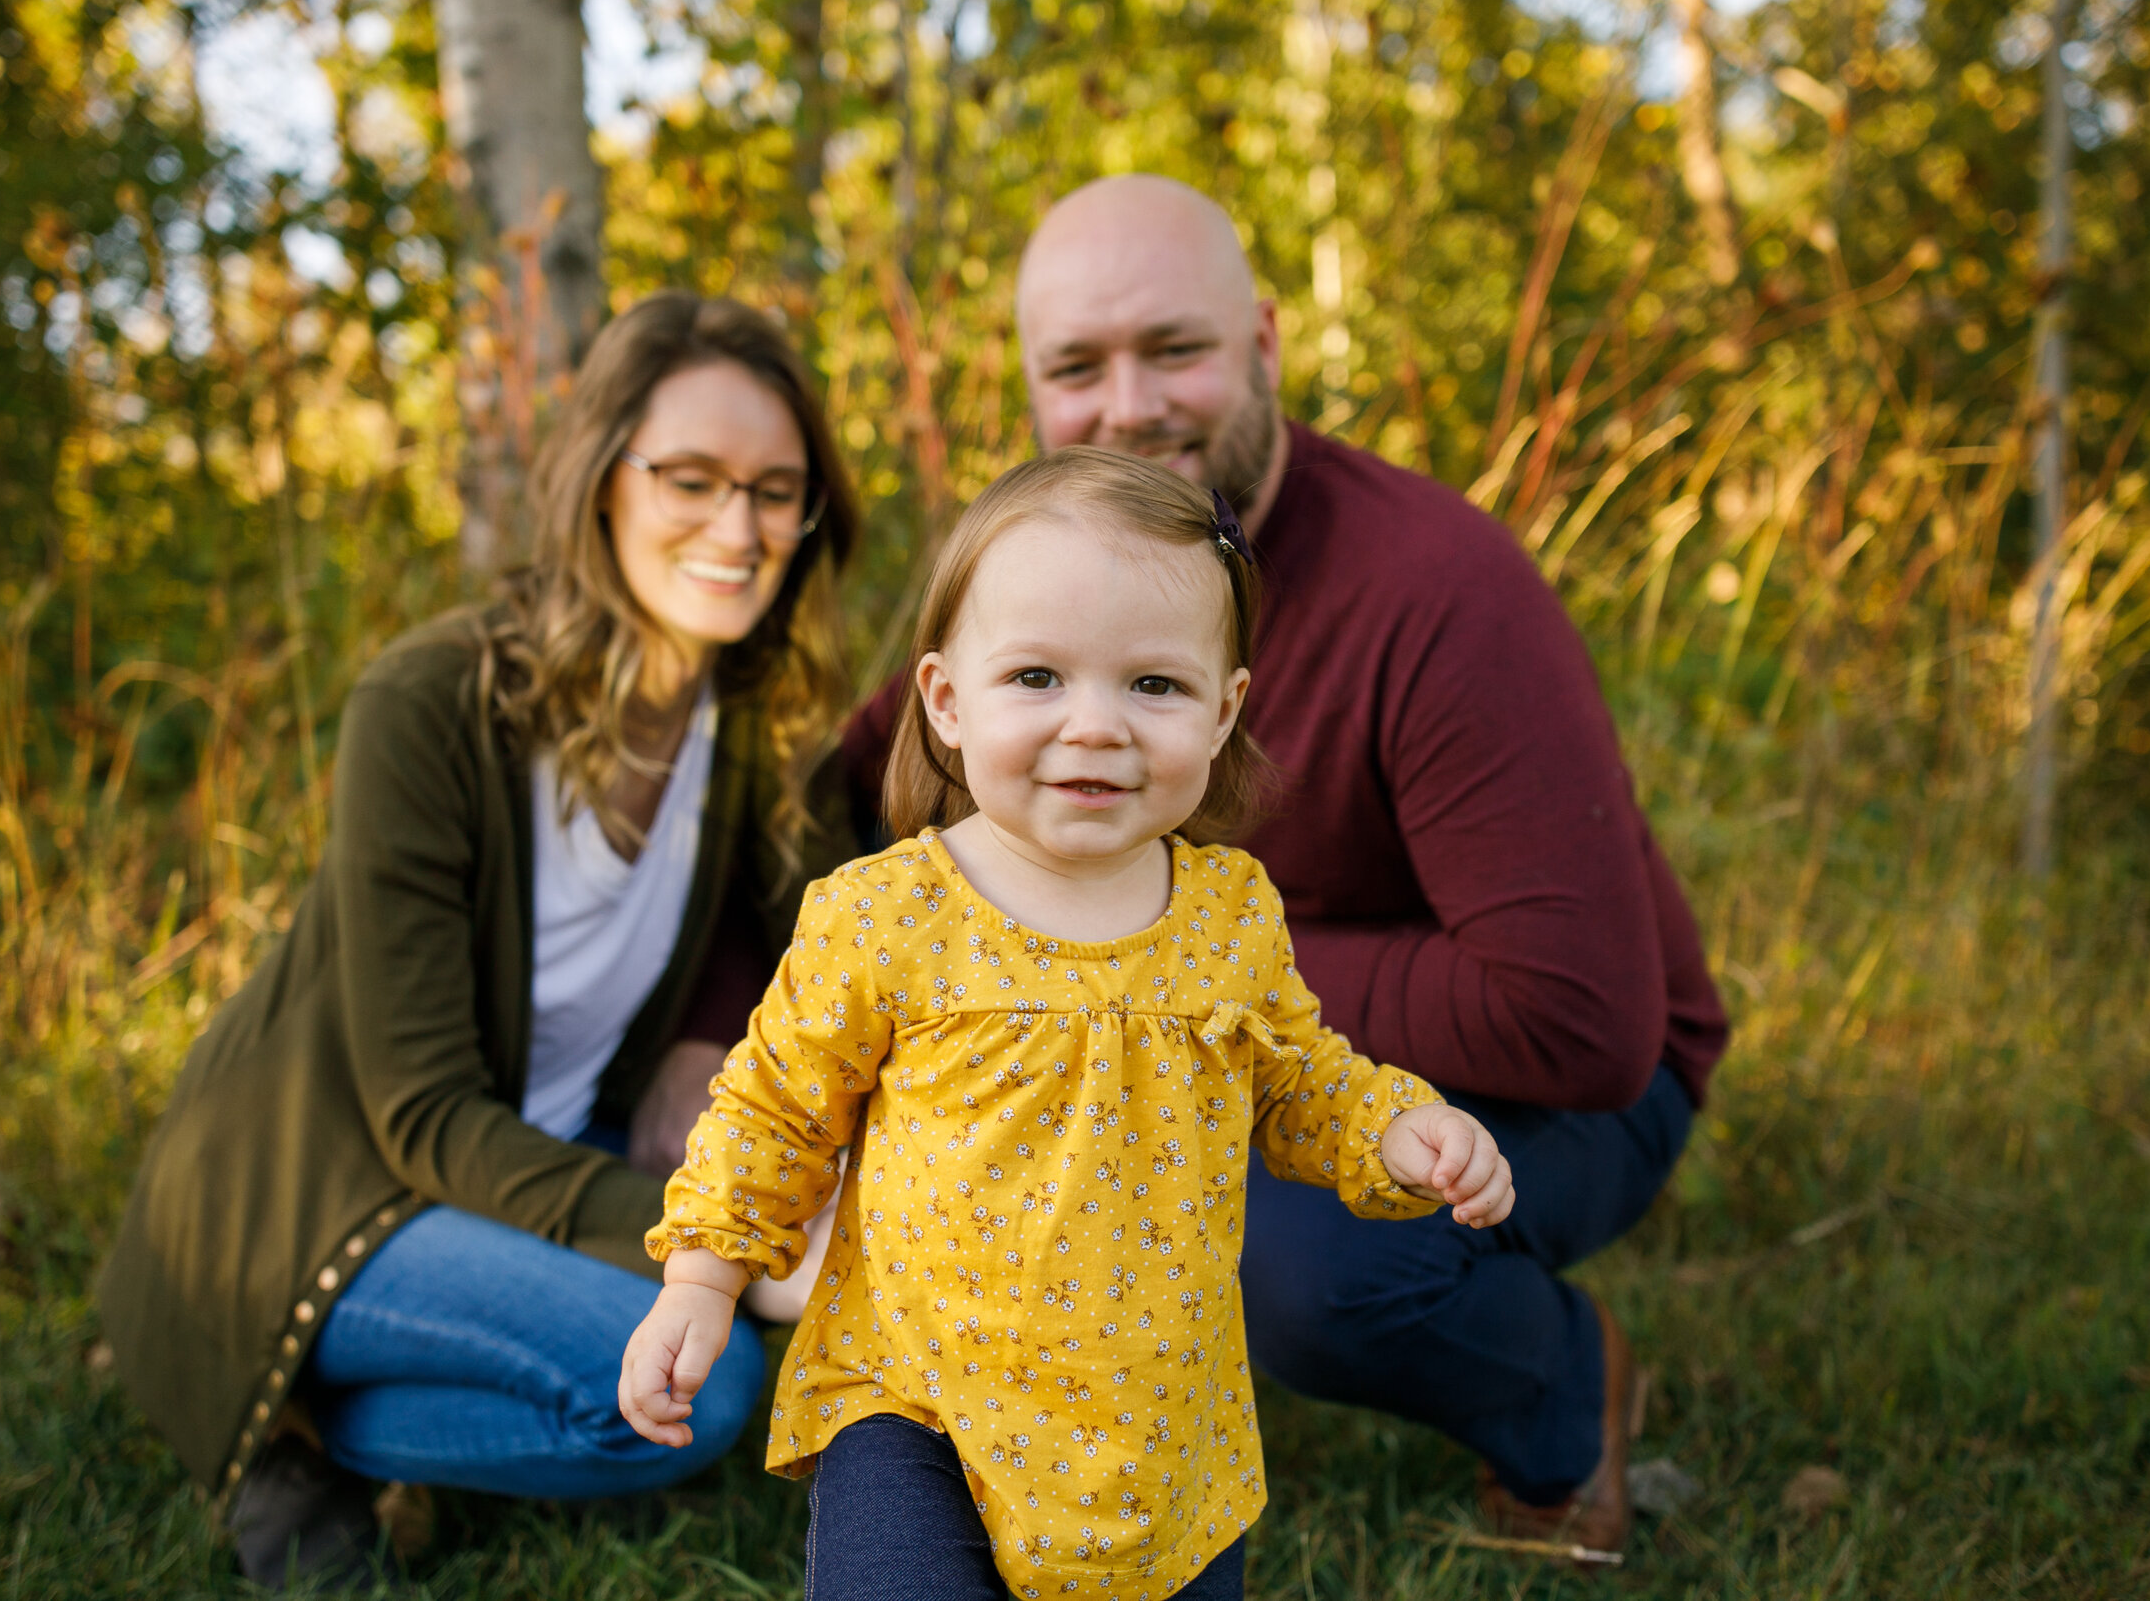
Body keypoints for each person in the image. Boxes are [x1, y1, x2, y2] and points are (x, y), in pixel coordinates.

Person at [843, 176, 1730, 1558]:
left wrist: (1174, 958)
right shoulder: (1048, 569)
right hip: (1265, 1028)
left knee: (1293, 1260)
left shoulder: (1436, 590)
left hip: (1575, 1081)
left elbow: (1579, 1019)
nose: (1128, 404)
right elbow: (854, 788)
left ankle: (1564, 1395)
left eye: (1174, 349)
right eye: (1078, 367)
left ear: (1262, 339)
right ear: (1032, 390)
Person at [618, 448, 1519, 1601]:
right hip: (919, 1393)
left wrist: (1396, 1129)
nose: (1094, 726)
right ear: (947, 700)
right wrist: (701, 1277)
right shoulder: (886, 915)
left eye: (1153, 685)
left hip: (1158, 1420)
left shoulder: (1227, 916)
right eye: (1037, 677)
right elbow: (774, 1107)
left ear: (1224, 708)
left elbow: (1295, 1082)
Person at [97, 292, 861, 1590]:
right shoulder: (431, 699)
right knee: (713, 1378)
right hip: (325, 1184)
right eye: (691, 479)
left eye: (775, 491)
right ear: (600, 482)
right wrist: (719, 1241)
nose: (737, 528)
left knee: (685, 1361)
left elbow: (845, 951)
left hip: (532, 1152)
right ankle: (280, 1413)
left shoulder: (747, 730)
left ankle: (362, 1401)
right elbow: (421, 1109)